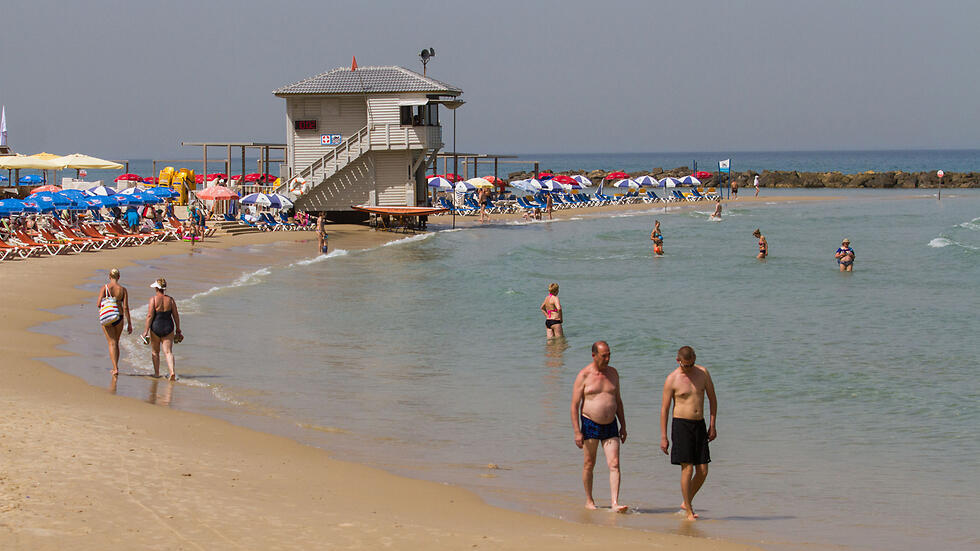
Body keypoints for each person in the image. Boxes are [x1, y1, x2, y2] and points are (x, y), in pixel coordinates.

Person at [660, 345, 717, 521]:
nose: (689, 368)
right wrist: (663, 436)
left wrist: (713, 425)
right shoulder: (672, 379)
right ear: (678, 361)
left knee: (703, 471)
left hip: (699, 424)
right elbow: (665, 409)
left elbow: (713, 399)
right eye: (686, 365)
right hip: (681, 425)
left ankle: (687, 501)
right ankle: (689, 511)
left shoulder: (703, 373)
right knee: (688, 469)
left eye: (692, 364)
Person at [571, 341, 628, 512]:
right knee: (589, 463)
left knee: (615, 464)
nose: (608, 359)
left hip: (611, 424)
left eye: (609, 354)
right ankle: (589, 500)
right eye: (604, 356)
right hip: (590, 423)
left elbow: (618, 401)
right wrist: (576, 431)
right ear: (594, 355)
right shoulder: (584, 375)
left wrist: (623, 426)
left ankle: (615, 503)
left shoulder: (613, 373)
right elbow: (574, 405)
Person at [142, 278, 181, 380]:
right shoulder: (171, 300)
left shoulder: (153, 300)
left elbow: (150, 316)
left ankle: (156, 373)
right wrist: (178, 329)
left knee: (155, 352)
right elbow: (176, 315)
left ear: (156, 288)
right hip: (168, 326)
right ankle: (172, 372)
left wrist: (146, 331)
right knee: (168, 352)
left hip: (156, 327)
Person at [97, 268, 132, 376]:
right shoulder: (123, 290)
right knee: (116, 342)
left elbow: (98, 303)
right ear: (119, 277)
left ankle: (115, 368)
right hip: (119, 317)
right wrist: (129, 323)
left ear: (109, 276)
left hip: (107, 317)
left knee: (111, 343)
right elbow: (125, 307)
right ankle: (116, 366)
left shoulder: (105, 288)